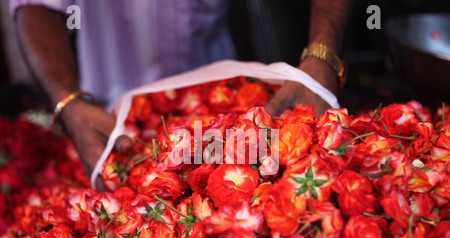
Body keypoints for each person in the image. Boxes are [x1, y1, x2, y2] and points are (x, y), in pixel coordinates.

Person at [12, 0, 354, 190]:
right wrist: (67, 101)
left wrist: (323, 55)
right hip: (106, 112)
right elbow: (34, 4)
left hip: (225, 94)